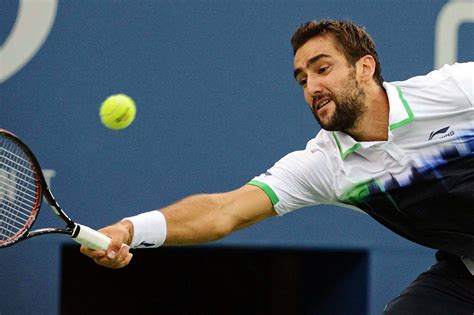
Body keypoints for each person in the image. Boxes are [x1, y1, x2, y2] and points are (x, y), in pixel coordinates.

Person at [81, 19, 474, 313]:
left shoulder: (454, 89)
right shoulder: (324, 165)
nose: (312, 88)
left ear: (365, 68)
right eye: (302, 79)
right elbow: (224, 211)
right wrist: (131, 229)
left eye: (323, 69)